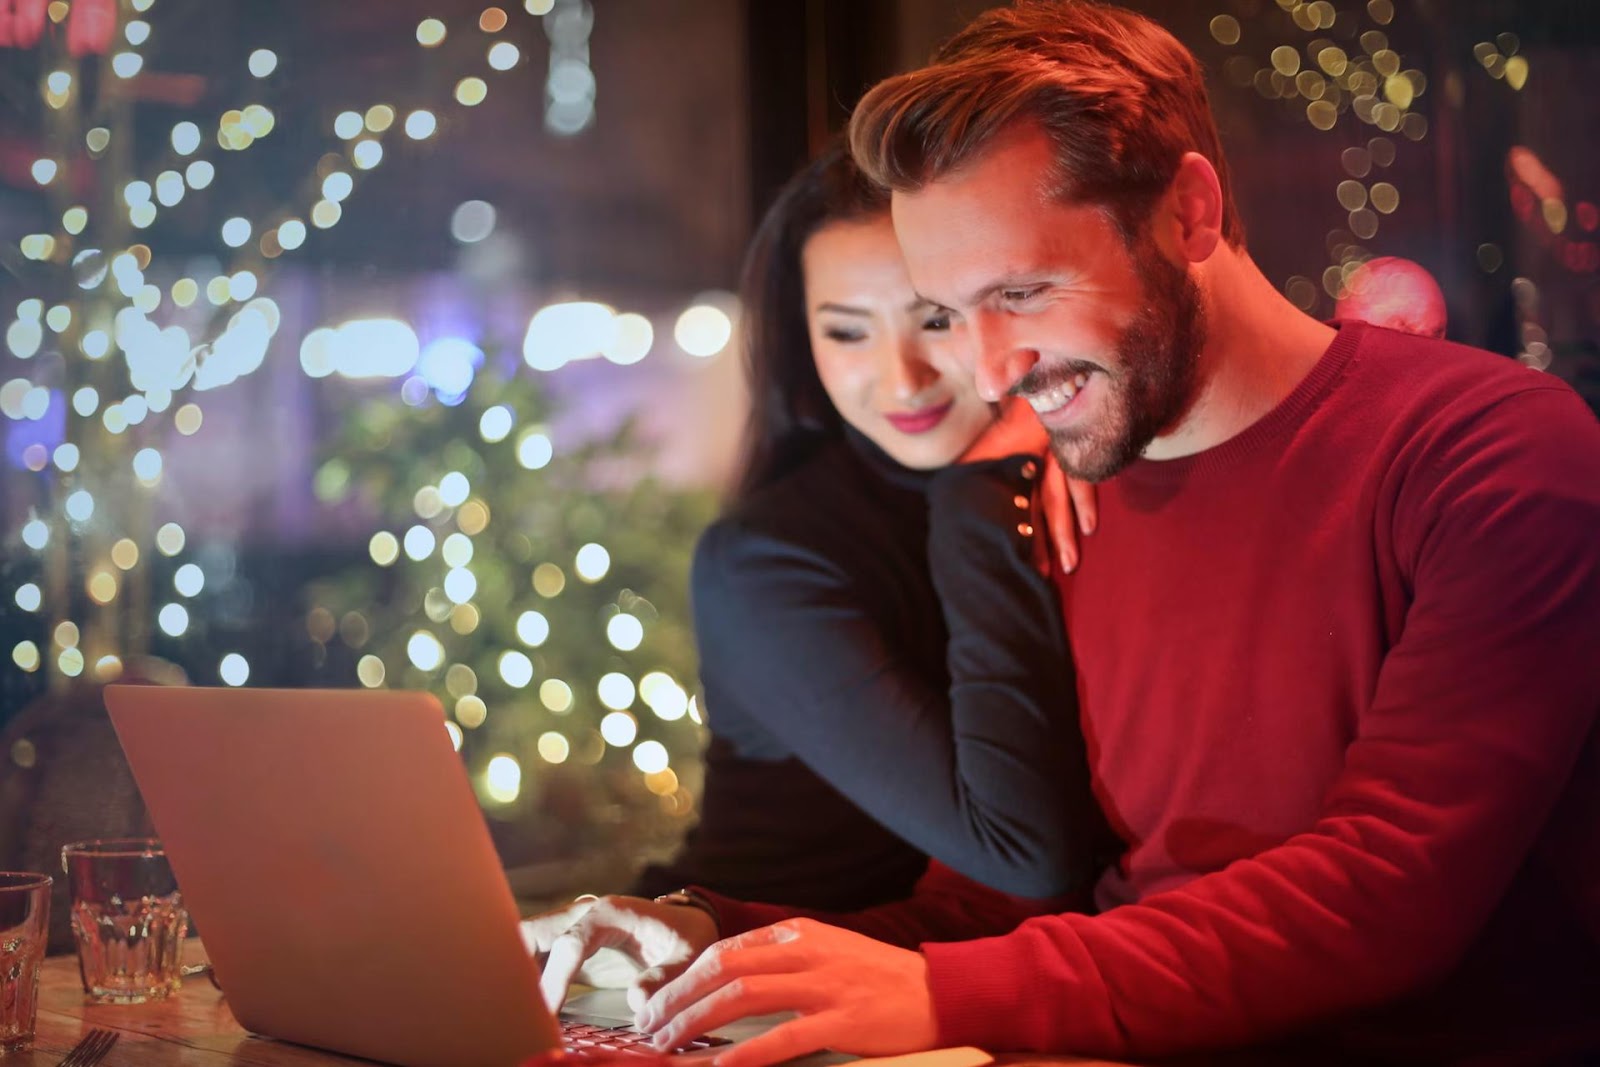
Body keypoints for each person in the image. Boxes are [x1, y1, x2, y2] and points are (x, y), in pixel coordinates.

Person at [524, 2, 1600, 1064]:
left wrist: (947, 992)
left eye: (1022, 291)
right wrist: (719, 942)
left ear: (1188, 213)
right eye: (950, 310)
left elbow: (1389, 886)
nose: (987, 372)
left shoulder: (1490, 451)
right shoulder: (1067, 482)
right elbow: (1003, 907)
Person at [627, 144, 1113, 916]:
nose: (902, 376)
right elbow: (1027, 854)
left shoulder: (1077, 474)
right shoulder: (765, 561)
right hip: (728, 976)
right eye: (847, 332)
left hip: (918, 990)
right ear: (802, 341)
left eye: (935, 320)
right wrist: (981, 487)